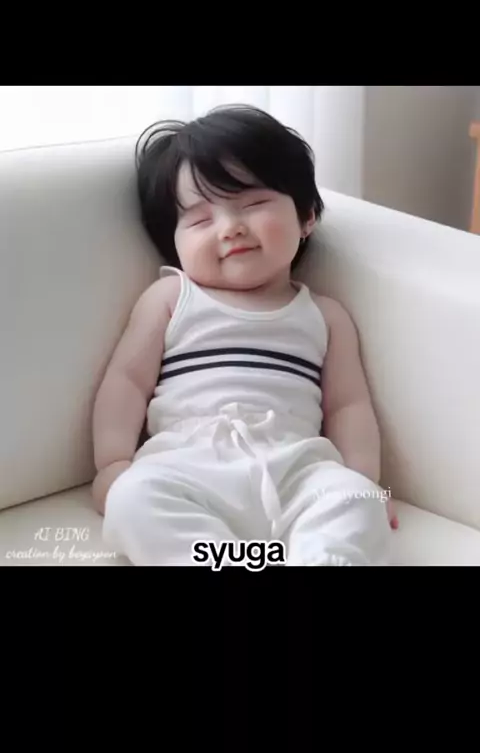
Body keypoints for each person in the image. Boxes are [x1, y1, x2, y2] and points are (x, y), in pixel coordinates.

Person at [92, 104, 397, 566]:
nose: (230, 228)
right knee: (134, 497)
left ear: (307, 216)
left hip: (298, 466)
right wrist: (113, 462)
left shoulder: (325, 315)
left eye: (252, 205)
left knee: (354, 501)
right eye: (200, 220)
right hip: (188, 463)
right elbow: (127, 382)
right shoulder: (171, 298)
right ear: (173, 240)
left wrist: (366, 482)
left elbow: (348, 406)